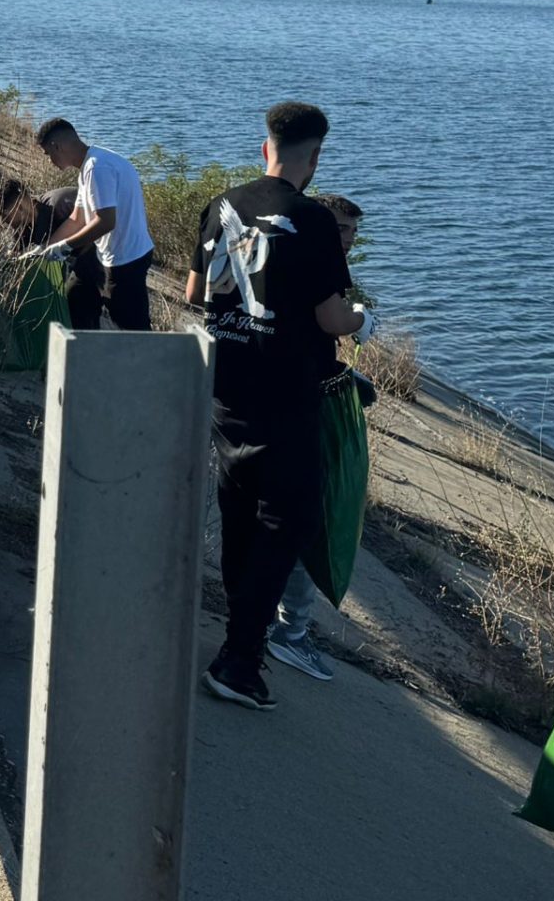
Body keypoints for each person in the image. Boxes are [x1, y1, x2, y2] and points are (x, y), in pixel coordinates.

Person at [186, 102, 373, 709]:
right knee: (286, 523)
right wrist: (362, 321)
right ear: (313, 157)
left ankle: (240, 643)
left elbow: (195, 291)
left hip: (225, 389)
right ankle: (240, 661)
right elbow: (331, 317)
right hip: (287, 396)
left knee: (239, 516)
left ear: (265, 146)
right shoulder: (312, 219)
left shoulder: (221, 203)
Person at [267, 192, 367, 683]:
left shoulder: (280, 254)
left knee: (274, 519)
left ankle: (268, 621)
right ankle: (290, 633)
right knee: (307, 519)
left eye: (352, 233)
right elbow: (332, 321)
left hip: (268, 398)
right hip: (296, 408)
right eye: (341, 229)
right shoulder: (318, 258)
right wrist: (362, 320)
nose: (347, 241)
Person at [34, 118, 155, 330]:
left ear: (57, 146)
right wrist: (46, 249)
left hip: (126, 259)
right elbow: (77, 219)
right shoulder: (90, 167)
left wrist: (65, 247)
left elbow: (106, 222)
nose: (50, 161)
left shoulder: (97, 168)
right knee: (80, 301)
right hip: (109, 256)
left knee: (132, 329)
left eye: (48, 154)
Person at [0, 178, 105, 329]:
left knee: (78, 302)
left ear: (19, 207)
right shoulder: (26, 227)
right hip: (85, 261)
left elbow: (97, 226)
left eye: (4, 215)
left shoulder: (60, 205)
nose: (3, 221)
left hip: (107, 250)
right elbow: (15, 254)